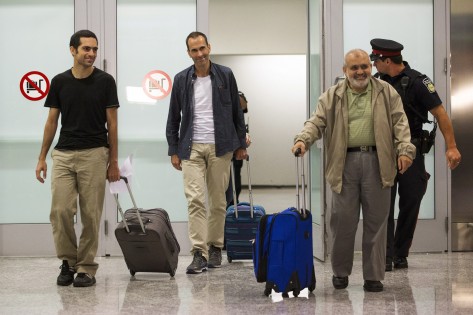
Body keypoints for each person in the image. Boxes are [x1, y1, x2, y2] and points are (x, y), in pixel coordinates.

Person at [291, 49, 415, 292]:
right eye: (354, 68)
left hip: (378, 162)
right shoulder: (332, 95)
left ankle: (373, 276)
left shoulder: (385, 91)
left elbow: (400, 122)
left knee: (377, 222)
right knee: (342, 221)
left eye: (364, 67)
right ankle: (340, 272)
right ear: (344, 71)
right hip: (343, 163)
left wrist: (405, 150)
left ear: (371, 67)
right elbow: (316, 121)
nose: (360, 72)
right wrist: (303, 140)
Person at [35, 30, 120, 287]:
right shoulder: (59, 81)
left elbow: (112, 125)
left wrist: (112, 161)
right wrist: (41, 158)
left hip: (94, 154)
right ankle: (68, 261)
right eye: (86, 49)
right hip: (63, 154)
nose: (91, 54)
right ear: (72, 50)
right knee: (60, 211)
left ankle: (86, 267)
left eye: (94, 49)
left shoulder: (105, 81)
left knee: (91, 214)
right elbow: (52, 122)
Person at [369, 38, 462, 271]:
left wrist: (451, 146)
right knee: (384, 206)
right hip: (384, 154)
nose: (373, 66)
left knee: (410, 202)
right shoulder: (376, 83)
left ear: (386, 60)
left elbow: (440, 114)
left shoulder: (419, 82)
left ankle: (400, 253)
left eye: (376, 61)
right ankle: (386, 257)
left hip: (412, 152)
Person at [166, 31, 247, 274]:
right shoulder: (181, 79)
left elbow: (236, 112)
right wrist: (173, 149)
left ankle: (215, 246)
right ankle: (198, 252)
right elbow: (173, 117)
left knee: (219, 201)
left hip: (220, 146)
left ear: (209, 47)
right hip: (190, 147)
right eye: (194, 50)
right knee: (195, 200)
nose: (199, 54)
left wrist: (241, 143)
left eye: (202, 48)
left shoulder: (225, 75)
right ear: (188, 53)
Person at [225, 91, 251, 208]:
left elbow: (244, 107)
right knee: (226, 178)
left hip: (238, 145)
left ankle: (234, 202)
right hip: (225, 146)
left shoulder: (238, 96)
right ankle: (228, 202)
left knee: (236, 175)